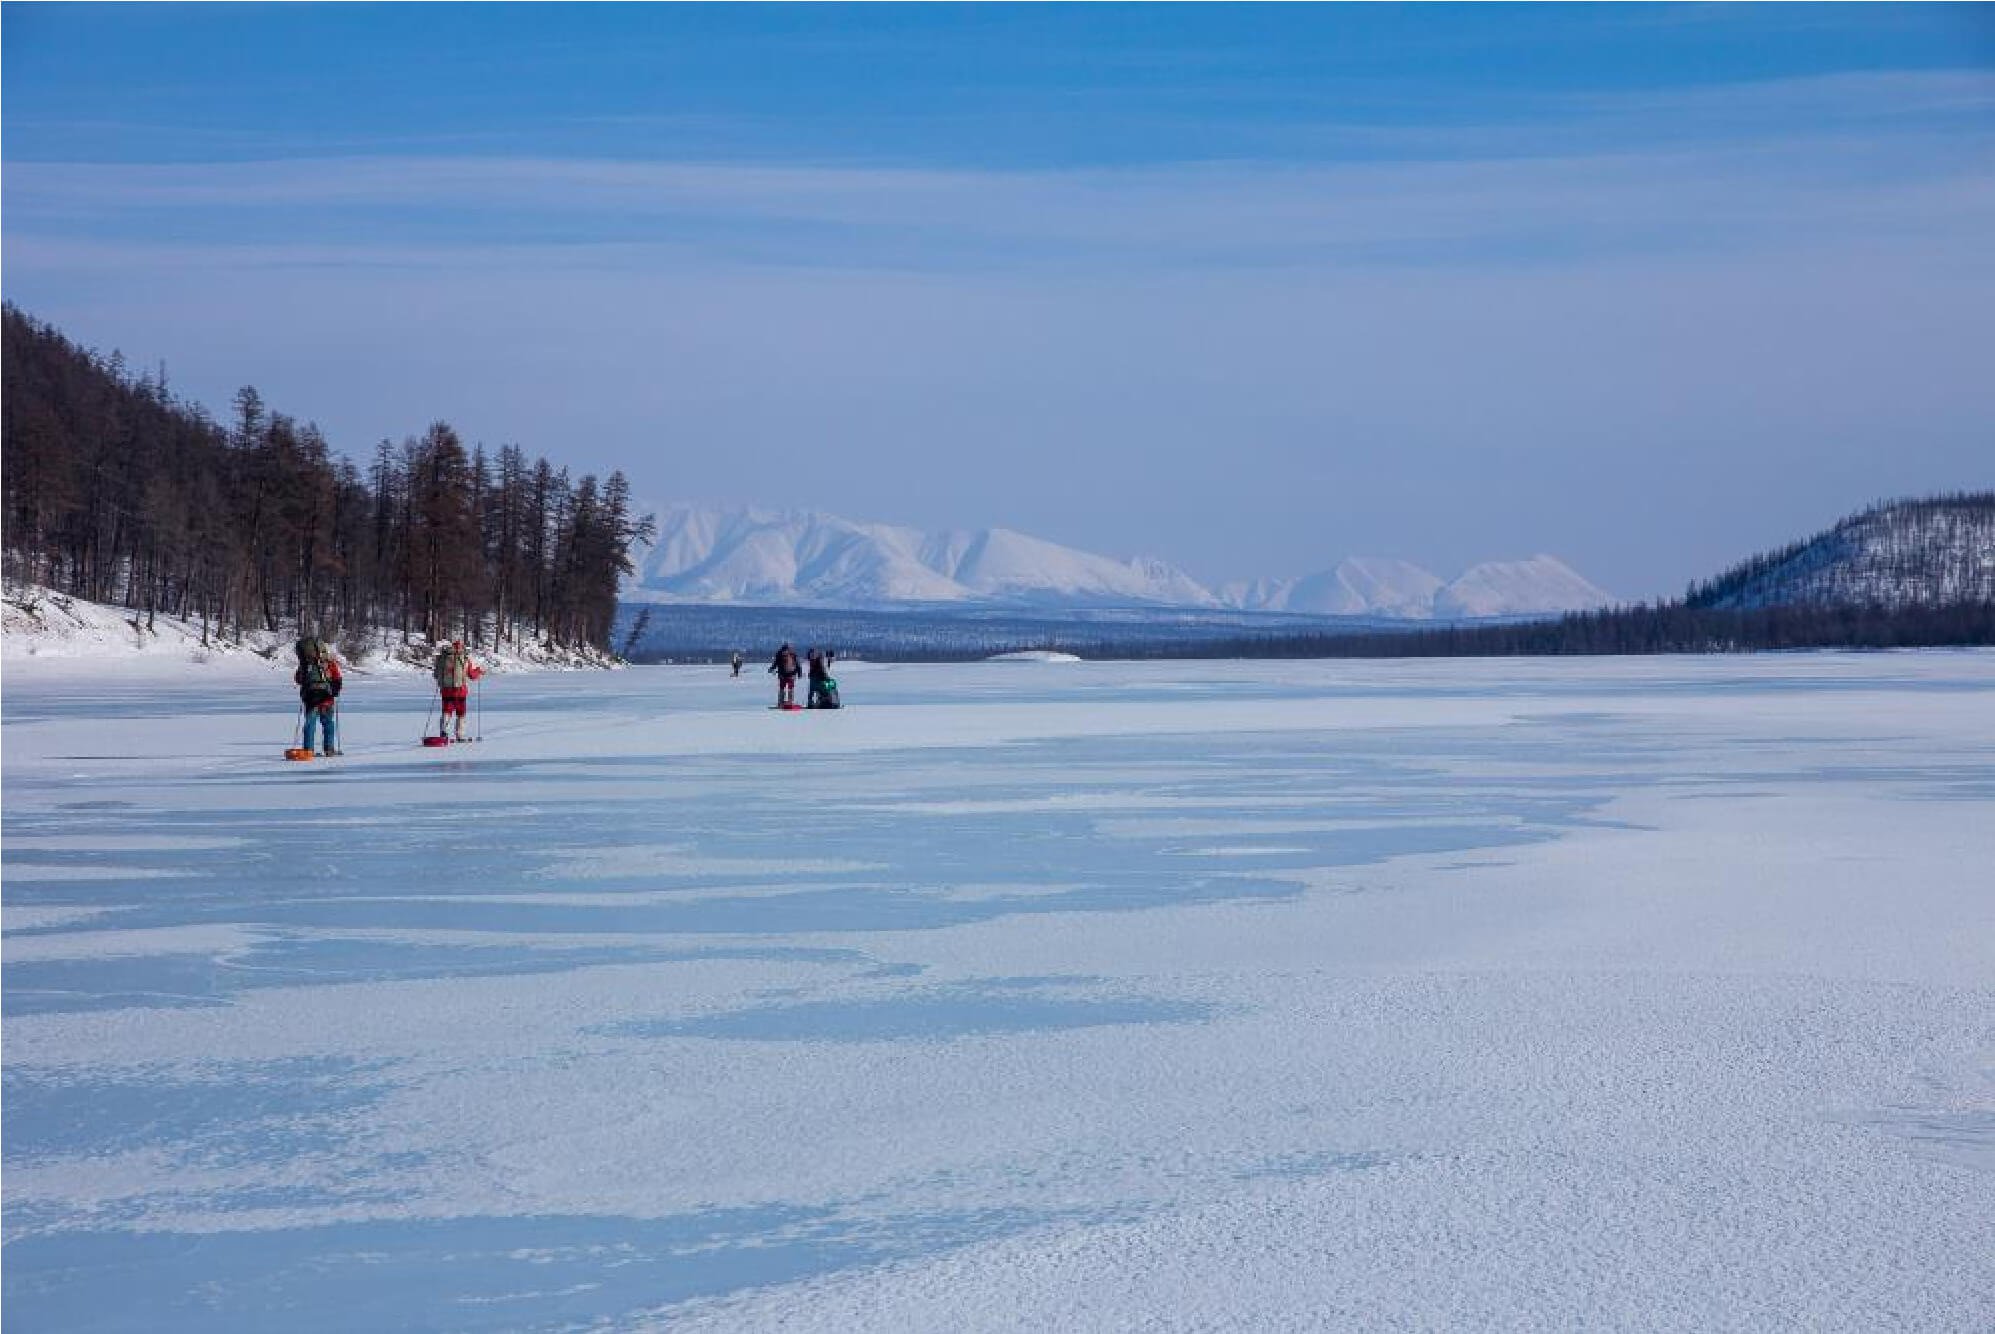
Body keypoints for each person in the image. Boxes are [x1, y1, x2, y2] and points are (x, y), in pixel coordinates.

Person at [293, 636, 343, 756]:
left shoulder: (305, 664)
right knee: (328, 723)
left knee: (310, 723)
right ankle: (329, 749)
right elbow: (337, 677)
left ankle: (308, 750)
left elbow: (298, 679)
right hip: (326, 698)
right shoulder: (328, 663)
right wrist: (335, 691)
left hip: (310, 698)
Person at [432, 639, 482, 741]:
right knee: (461, 712)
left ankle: (443, 731)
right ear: (461, 647)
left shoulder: (443, 657)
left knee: (447, 711)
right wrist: (479, 671)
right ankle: (460, 734)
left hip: (446, 690)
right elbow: (472, 675)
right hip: (460, 691)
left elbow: (436, 675)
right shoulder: (464, 658)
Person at [768, 642, 800, 707]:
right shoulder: (792, 654)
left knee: (783, 688)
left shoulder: (780, 654)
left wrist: (771, 669)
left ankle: (782, 702)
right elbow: (797, 664)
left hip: (783, 675)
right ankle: (789, 702)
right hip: (790, 674)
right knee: (789, 689)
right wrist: (799, 673)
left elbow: (775, 663)